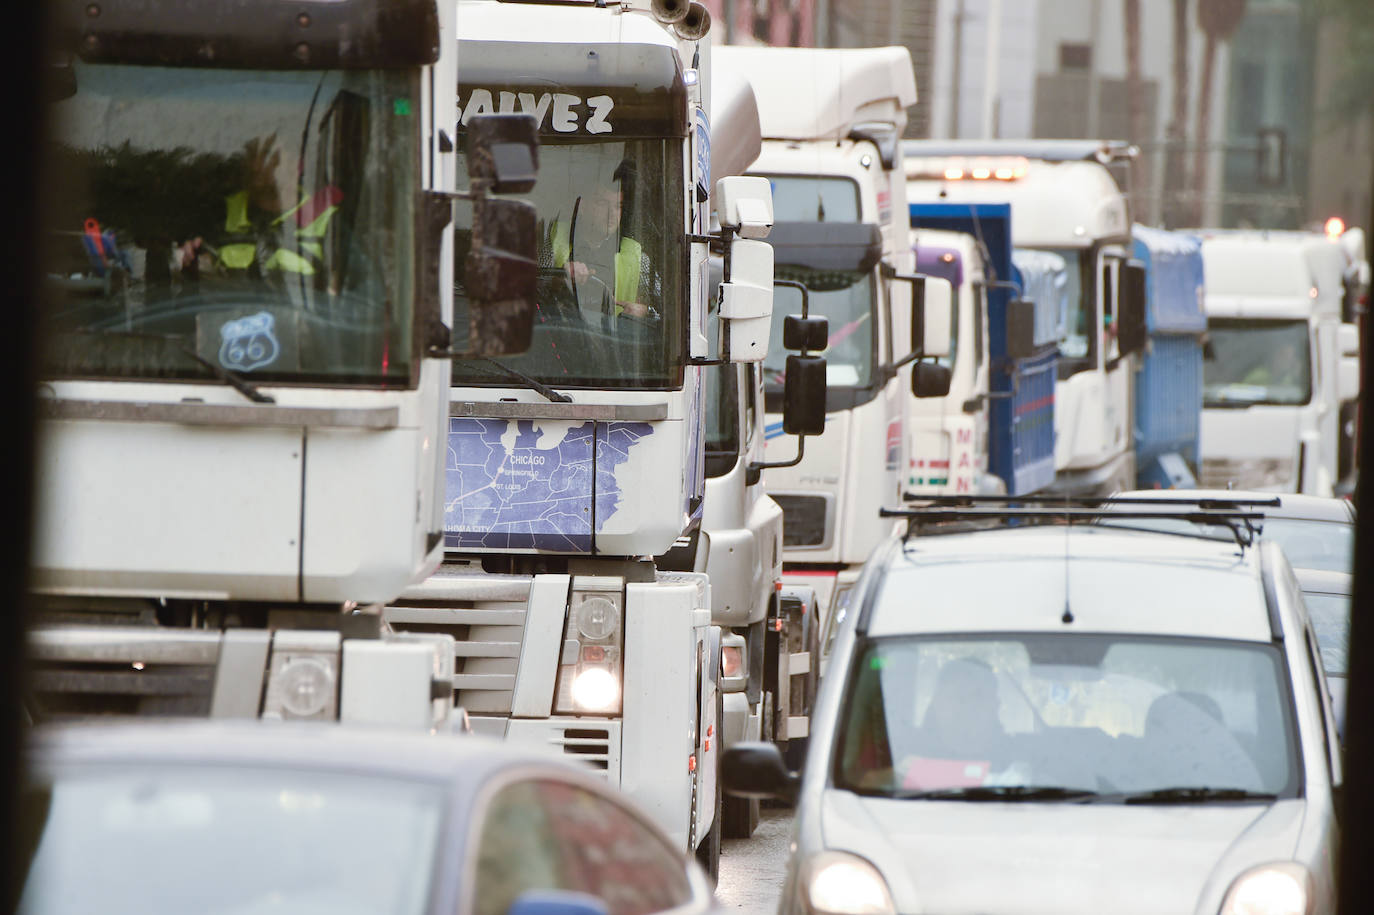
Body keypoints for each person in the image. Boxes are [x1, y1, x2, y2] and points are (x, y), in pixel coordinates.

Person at [543, 159, 659, 321]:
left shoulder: (636, 257)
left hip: (613, 342)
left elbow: (666, 313)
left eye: (618, 206)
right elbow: (527, 293)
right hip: (558, 336)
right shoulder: (550, 241)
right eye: (602, 203)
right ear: (582, 205)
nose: (611, 214)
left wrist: (647, 312)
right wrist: (559, 278)